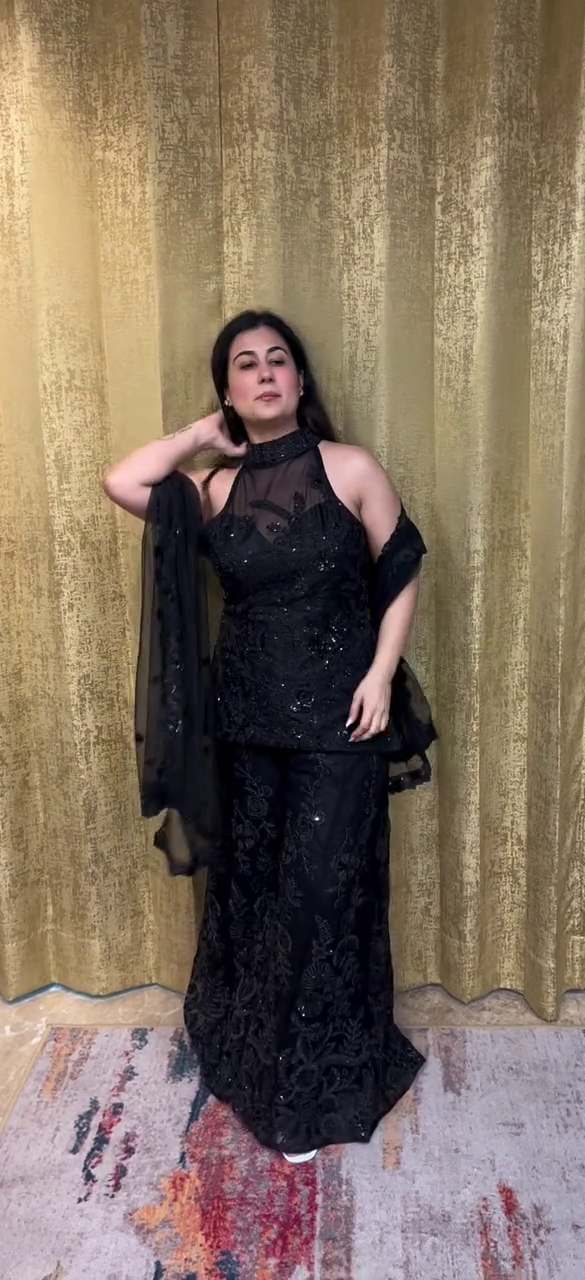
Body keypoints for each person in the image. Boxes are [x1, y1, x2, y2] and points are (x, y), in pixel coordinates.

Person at [103, 309, 436, 1163]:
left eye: (277, 359)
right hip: (246, 723)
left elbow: (400, 570)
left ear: (299, 378)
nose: (263, 373)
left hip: (341, 718)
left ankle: (315, 1084)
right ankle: (263, 1057)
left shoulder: (350, 467)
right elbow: (121, 479)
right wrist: (198, 437)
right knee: (257, 892)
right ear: (228, 390)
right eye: (245, 364)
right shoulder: (211, 489)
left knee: (322, 897)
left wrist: (380, 675)